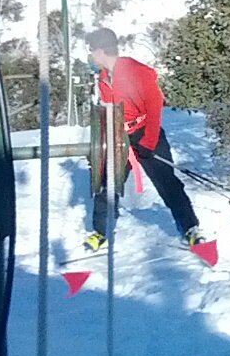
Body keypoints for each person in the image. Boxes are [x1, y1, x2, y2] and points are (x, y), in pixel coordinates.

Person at [82, 27, 204, 251]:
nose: (90, 56)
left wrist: (148, 141)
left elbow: (155, 105)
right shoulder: (102, 78)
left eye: (91, 51)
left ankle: (190, 227)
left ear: (100, 51)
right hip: (120, 135)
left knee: (167, 182)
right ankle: (100, 232)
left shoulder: (135, 71)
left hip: (146, 131)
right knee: (107, 181)